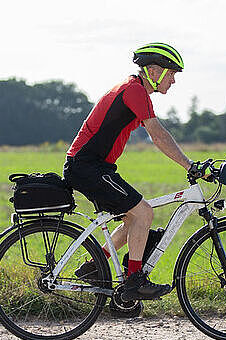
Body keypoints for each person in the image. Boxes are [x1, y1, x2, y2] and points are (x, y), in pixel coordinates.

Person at [63, 42, 200, 302]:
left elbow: (156, 137)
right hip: (86, 166)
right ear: (154, 71)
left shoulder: (136, 91)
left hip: (93, 166)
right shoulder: (133, 90)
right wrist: (189, 165)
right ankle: (134, 282)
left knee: (135, 219)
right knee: (143, 212)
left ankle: (94, 266)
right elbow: (158, 135)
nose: (173, 81)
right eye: (171, 74)